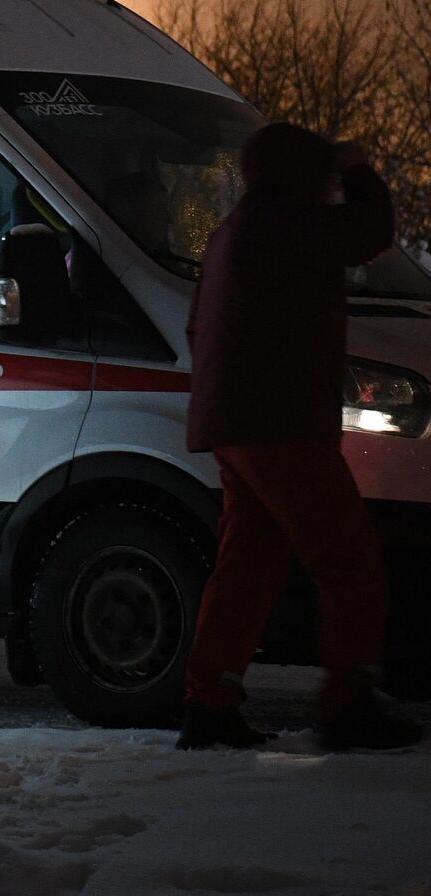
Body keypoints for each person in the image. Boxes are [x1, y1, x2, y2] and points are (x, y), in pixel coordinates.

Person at [177, 122, 423, 752]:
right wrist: (359, 171)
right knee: (350, 563)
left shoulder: (234, 233)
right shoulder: (290, 226)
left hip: (235, 425)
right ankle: (348, 704)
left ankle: (210, 703)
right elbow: (369, 234)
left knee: (247, 561)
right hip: (281, 424)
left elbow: (196, 326)